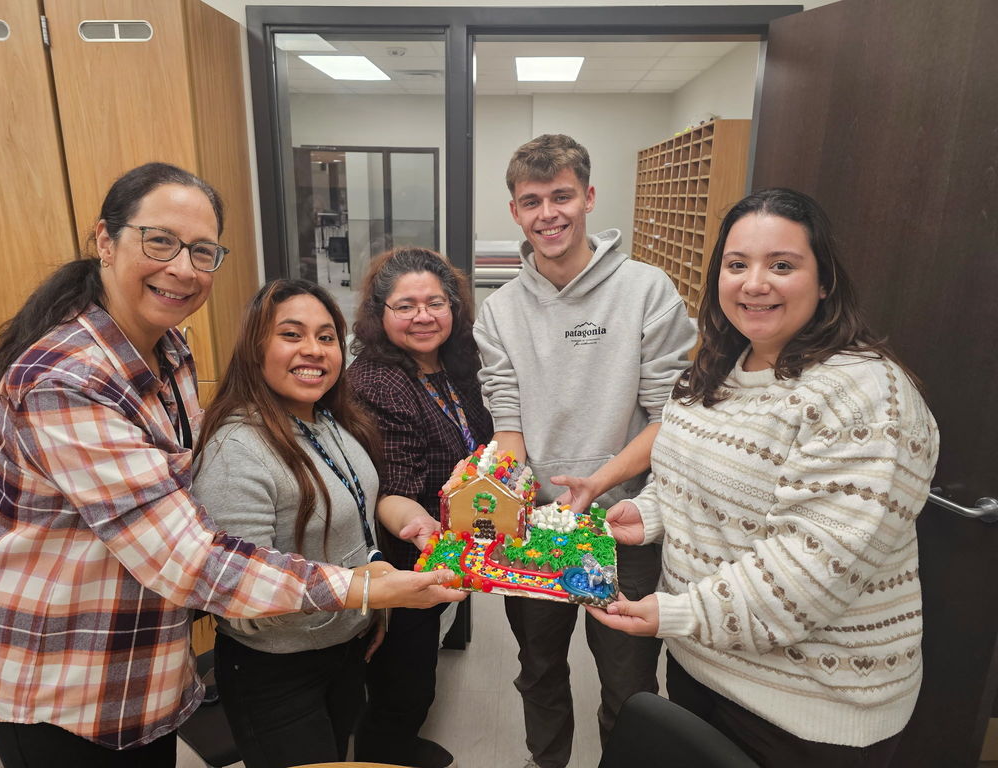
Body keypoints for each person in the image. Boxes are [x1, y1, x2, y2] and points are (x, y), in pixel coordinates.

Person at [0, 163, 462, 768]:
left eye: (202, 252)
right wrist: (364, 587)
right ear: (105, 239)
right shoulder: (66, 379)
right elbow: (188, 558)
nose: (182, 268)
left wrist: (371, 586)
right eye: (160, 241)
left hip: (147, 663)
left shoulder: (171, 351)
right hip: (63, 673)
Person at [586, 188, 939, 768]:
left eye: (782, 265)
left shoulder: (865, 397)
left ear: (824, 281)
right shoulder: (715, 372)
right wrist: (649, 515)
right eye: (737, 264)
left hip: (804, 708)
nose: (755, 283)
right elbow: (683, 476)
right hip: (703, 665)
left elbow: (808, 573)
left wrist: (672, 614)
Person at [473, 134, 696, 768]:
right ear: (515, 210)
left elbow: (668, 417)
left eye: (563, 196)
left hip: (626, 524)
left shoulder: (647, 291)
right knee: (539, 668)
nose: (550, 213)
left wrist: (597, 485)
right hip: (541, 525)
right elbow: (507, 422)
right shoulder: (499, 313)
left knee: (627, 682)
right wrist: (498, 499)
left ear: (590, 197)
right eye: (533, 200)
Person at [192, 278, 451, 767]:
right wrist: (371, 593)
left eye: (326, 337)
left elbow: (353, 522)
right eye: (292, 335)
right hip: (278, 669)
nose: (313, 351)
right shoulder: (237, 449)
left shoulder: (329, 421)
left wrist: (370, 604)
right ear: (255, 347)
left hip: (344, 648)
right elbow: (238, 597)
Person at [348, 246, 494, 768]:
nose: (423, 316)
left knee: (415, 670)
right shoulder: (378, 382)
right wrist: (421, 527)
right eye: (405, 306)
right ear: (380, 313)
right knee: (402, 686)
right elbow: (391, 487)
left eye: (435, 302)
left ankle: (396, 743)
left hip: (447, 543)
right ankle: (384, 751)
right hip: (404, 551)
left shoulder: (456, 365)